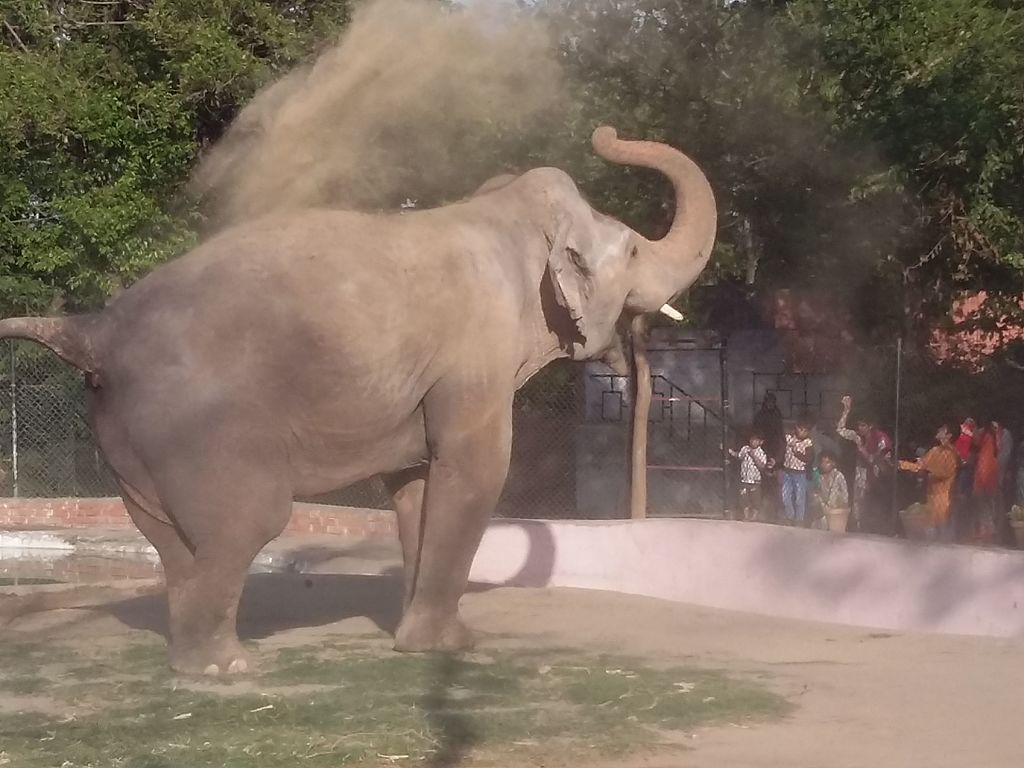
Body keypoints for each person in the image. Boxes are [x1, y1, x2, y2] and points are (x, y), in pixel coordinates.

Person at [837, 395, 893, 534]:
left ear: (870, 425)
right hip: (861, 471)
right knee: (858, 501)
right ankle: (859, 527)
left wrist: (862, 449)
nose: (860, 428)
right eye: (859, 425)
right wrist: (846, 410)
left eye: (863, 425)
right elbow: (840, 430)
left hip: (877, 474)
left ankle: (878, 529)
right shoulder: (858, 436)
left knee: (874, 502)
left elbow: (877, 461)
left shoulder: (882, 439)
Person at [899, 424, 959, 541]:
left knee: (944, 538)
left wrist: (929, 469)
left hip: (946, 500)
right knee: (931, 538)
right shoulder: (935, 450)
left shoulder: (952, 453)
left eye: (943, 430)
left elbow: (945, 472)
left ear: (949, 435)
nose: (939, 430)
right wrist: (901, 464)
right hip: (932, 500)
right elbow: (920, 466)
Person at [753, 393, 785, 521]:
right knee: (764, 480)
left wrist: (777, 457)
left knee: (777, 482)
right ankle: (764, 509)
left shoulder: (777, 415)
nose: (770, 404)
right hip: (763, 447)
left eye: (772, 402)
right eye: (768, 402)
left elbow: (780, 433)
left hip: (775, 449)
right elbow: (756, 431)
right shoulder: (760, 415)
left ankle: (777, 511)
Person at [729, 431, 773, 521]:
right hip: (744, 479)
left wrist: (753, 456)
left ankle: (754, 517)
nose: (753, 442)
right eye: (752, 440)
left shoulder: (761, 453)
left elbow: (762, 467)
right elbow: (739, 456)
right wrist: (731, 452)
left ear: (761, 442)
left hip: (755, 481)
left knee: (755, 500)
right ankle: (746, 516)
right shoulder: (745, 448)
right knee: (744, 499)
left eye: (756, 440)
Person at [973, 420, 1001, 544]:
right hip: (992, 471)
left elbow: (975, 442)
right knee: (990, 502)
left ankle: (987, 529)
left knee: (983, 502)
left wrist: (973, 427)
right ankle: (990, 529)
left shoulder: (985, 435)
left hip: (984, 472)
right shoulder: (997, 435)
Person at [781, 417, 814, 526]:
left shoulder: (808, 443)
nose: (802, 432)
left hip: (800, 473)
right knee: (785, 496)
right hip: (787, 472)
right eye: (800, 429)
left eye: (805, 431)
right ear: (796, 428)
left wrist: (797, 453)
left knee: (799, 498)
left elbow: (808, 459)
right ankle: (789, 516)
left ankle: (799, 520)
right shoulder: (789, 438)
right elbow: (785, 441)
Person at [812, 451, 849, 529]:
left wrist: (840, 505)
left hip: (836, 509)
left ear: (833, 464)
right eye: (822, 462)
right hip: (823, 509)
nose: (824, 465)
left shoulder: (838, 476)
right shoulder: (819, 477)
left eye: (827, 462)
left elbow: (845, 495)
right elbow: (817, 493)